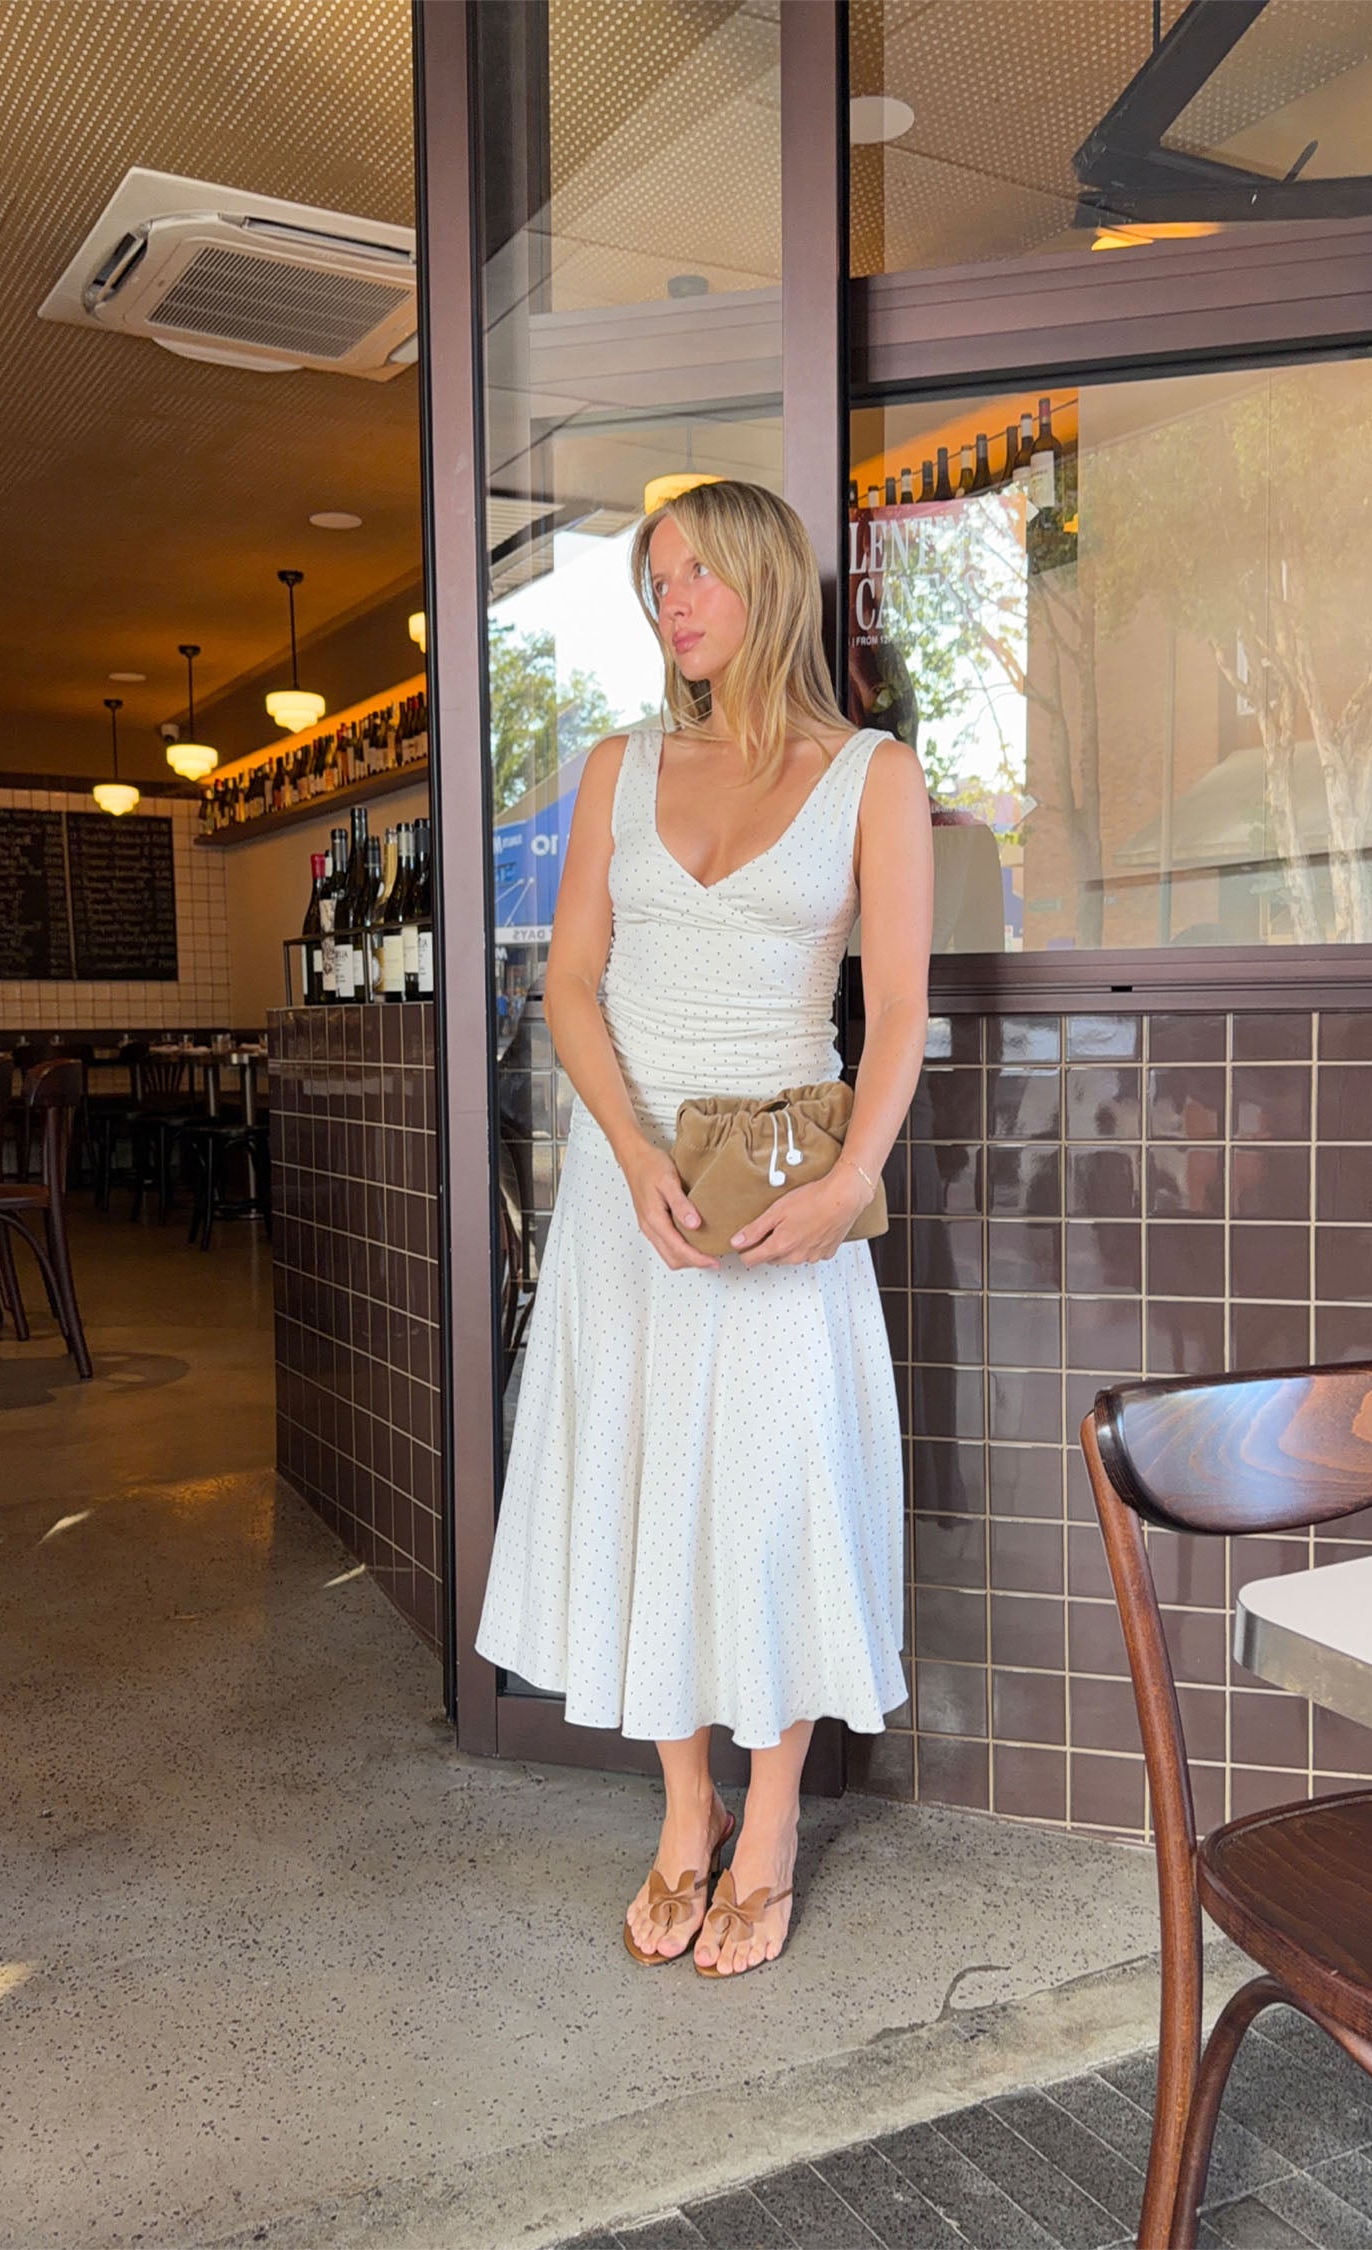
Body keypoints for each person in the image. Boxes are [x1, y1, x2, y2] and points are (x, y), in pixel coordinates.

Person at [475, 480, 933, 1977]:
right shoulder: (618, 766)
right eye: (655, 580)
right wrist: (626, 1152)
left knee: (774, 1495)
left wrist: (850, 1186)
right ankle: (687, 1807)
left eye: (695, 574)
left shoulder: (871, 775)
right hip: (636, 1202)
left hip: (787, 1196)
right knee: (646, 1481)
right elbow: (570, 985)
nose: (671, 601)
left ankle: (774, 1815)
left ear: (766, 584)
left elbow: (900, 1010)